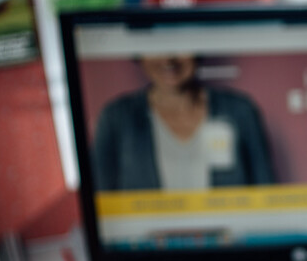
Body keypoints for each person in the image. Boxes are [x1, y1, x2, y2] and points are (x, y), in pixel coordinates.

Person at [92, 54, 275, 191]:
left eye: (178, 43)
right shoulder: (116, 118)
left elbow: (266, 192)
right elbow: (101, 201)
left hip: (234, 240)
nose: (169, 59)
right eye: (155, 46)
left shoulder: (239, 111)